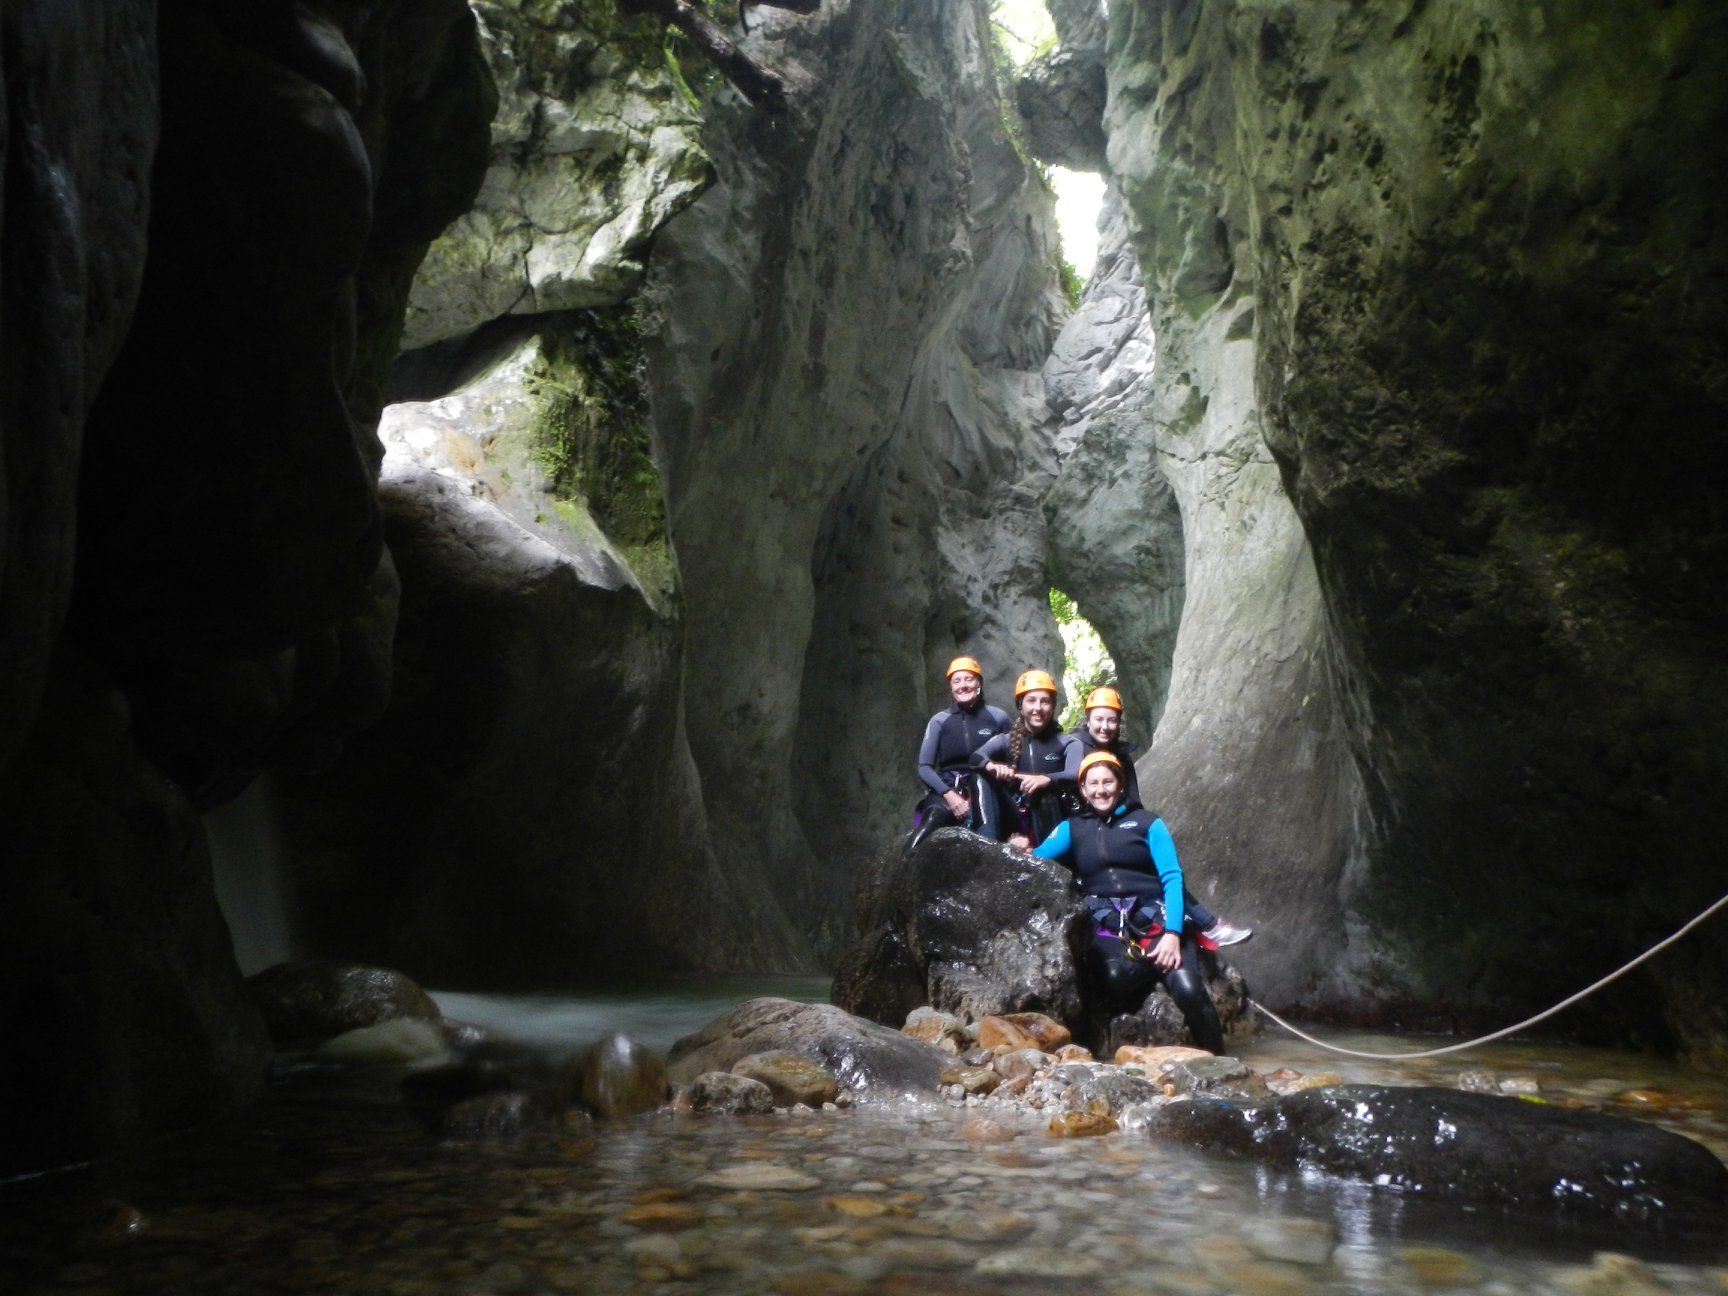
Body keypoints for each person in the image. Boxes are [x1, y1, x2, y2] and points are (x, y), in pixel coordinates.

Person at [1034, 750, 1225, 1054]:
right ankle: (1150, 969)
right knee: (1116, 978)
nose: (1100, 790)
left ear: (1120, 785)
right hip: (1106, 924)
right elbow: (1035, 861)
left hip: (1156, 919)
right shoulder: (1073, 828)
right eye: (1092, 784)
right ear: (1082, 789)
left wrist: (1173, 935)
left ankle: (1222, 1064)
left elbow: (1173, 878)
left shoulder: (1148, 823)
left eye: (1107, 782)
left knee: (1189, 991)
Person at [1065, 686, 1252, 947]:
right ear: (1088, 719)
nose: (1105, 726)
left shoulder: (1121, 755)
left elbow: (1133, 799)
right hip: (1081, 828)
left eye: (1111, 720)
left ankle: (1203, 924)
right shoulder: (1073, 747)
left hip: (1116, 823)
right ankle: (1206, 924)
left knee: (1159, 872)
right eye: (1099, 719)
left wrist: (1130, 826)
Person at [908, 655, 1013, 853]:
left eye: (968, 679)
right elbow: (924, 767)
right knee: (931, 821)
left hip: (987, 786)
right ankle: (904, 867)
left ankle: (988, 867)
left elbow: (1013, 760)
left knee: (987, 828)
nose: (963, 685)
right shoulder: (940, 721)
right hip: (948, 786)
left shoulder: (998, 718)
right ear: (951, 687)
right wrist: (950, 795)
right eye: (957, 681)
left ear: (979, 683)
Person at [972, 669, 1077, 850]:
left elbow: (1076, 773)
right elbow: (975, 757)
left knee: (1046, 796)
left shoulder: (1067, 743)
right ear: (1020, 705)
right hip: (1016, 819)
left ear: (1052, 706)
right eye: (1031, 701)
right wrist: (992, 766)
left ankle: (1047, 854)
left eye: (1045, 701)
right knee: (979, 776)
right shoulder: (1005, 740)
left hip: (1051, 819)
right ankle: (987, 845)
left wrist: (1046, 779)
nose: (1038, 708)